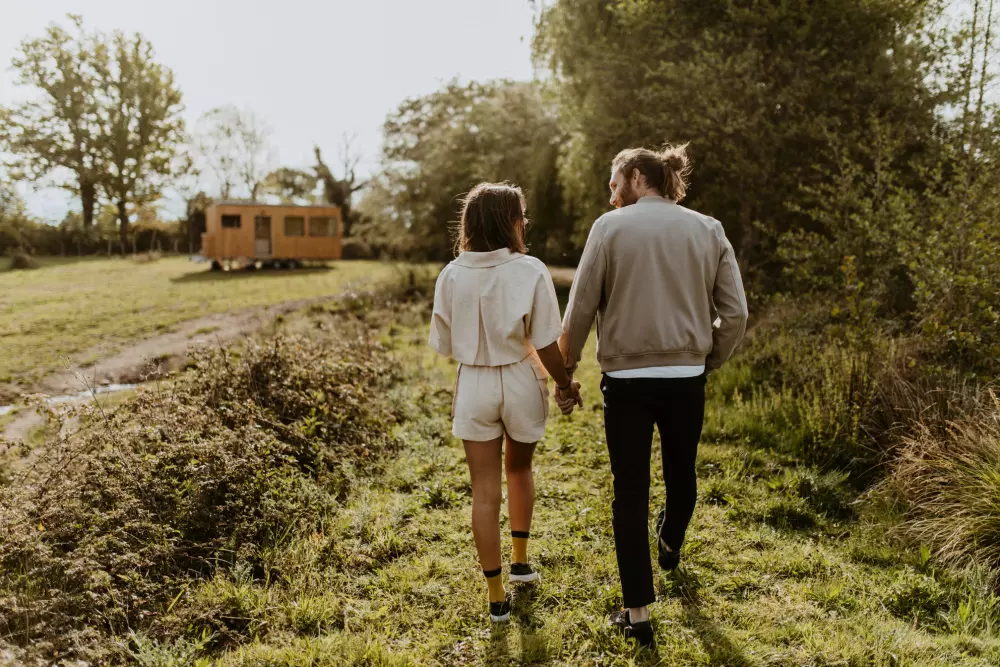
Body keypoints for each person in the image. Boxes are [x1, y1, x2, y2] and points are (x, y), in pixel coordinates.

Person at [557, 145, 748, 646]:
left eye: (614, 180)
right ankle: (670, 539)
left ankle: (637, 611)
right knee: (682, 473)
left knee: (630, 490)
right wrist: (709, 358)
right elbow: (737, 313)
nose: (610, 191)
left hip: (627, 382)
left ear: (638, 177)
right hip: (687, 377)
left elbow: (579, 309)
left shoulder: (609, 228)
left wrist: (566, 371)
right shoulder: (708, 229)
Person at [430, 182, 582, 623]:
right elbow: (546, 343)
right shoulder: (530, 269)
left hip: (474, 382)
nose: (525, 223)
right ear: (509, 221)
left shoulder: (451, 273)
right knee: (519, 468)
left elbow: (442, 342)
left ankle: (497, 596)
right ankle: (520, 561)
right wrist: (565, 383)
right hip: (519, 378)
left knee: (483, 490)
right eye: (522, 216)